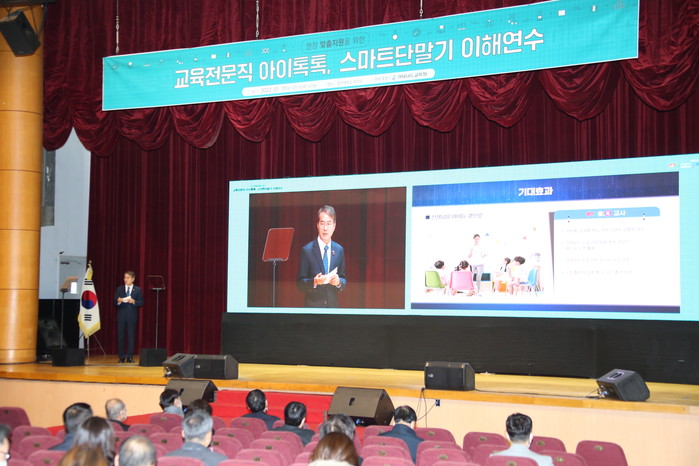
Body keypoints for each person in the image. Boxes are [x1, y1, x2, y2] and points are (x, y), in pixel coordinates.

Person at [297, 205, 347, 307]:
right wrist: (314, 282)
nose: (325, 228)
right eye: (322, 223)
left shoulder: (339, 250)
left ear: (334, 226)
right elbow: (300, 284)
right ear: (317, 225)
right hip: (313, 308)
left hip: (332, 307)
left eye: (328, 224)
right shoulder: (307, 250)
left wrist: (338, 282)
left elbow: (343, 279)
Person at [113, 270, 144, 363]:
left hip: (132, 316)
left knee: (131, 337)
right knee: (121, 337)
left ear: (133, 279)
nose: (125, 279)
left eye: (128, 278)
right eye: (124, 277)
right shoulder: (120, 289)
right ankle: (121, 357)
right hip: (121, 316)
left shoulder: (138, 289)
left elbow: (141, 302)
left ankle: (130, 357)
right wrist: (118, 301)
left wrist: (133, 301)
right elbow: (114, 302)